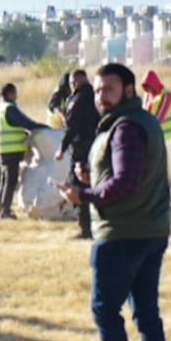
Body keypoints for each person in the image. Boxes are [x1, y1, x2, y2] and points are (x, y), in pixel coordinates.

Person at [58, 62, 171, 341]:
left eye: (108, 89)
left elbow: (125, 183)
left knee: (106, 311)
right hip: (151, 230)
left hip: (122, 234)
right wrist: (92, 177)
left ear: (129, 90)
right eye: (97, 90)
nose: (101, 96)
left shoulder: (125, 128)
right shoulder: (140, 122)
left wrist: (83, 195)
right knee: (148, 316)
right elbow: (128, 174)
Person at [0, 83, 48, 220]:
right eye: (15, 93)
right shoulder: (9, 108)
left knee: (4, 179)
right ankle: (5, 211)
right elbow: (26, 123)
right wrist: (45, 128)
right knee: (10, 181)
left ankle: (1, 208)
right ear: (11, 93)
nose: (16, 96)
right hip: (11, 150)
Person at [58, 69, 100, 240]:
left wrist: (62, 148)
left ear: (74, 83)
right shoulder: (99, 95)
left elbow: (71, 126)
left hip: (82, 150)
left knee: (77, 187)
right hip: (99, 148)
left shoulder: (77, 99)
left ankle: (85, 228)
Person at [140, 71, 171, 143]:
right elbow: (144, 113)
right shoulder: (147, 94)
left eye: (149, 86)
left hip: (166, 135)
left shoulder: (166, 95)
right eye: (146, 87)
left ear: (154, 84)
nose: (148, 89)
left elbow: (161, 115)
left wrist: (148, 131)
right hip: (153, 134)